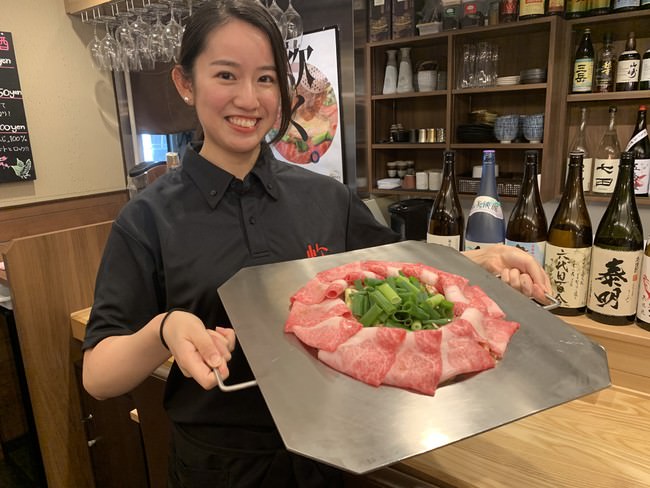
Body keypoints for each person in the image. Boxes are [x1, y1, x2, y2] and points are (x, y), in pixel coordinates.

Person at [82, 1, 551, 487]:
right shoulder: (148, 218)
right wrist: (164, 328)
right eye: (226, 75)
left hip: (334, 456)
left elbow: (407, 272)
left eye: (266, 79)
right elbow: (98, 375)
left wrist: (485, 260)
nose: (249, 98)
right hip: (220, 466)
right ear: (185, 83)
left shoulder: (327, 198)